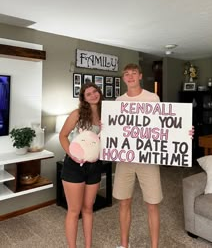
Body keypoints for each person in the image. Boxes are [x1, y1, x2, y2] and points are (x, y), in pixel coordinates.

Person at [113, 63, 163, 248]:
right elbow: (116, 129)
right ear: (124, 78)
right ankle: (124, 245)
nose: (130, 76)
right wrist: (107, 129)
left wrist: (183, 132)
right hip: (125, 159)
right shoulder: (119, 101)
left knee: (152, 203)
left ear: (140, 76)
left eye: (134, 73)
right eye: (127, 74)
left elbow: (163, 126)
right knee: (124, 202)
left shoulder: (153, 98)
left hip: (147, 159)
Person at [59, 82, 103, 248]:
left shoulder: (108, 115)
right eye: (88, 93)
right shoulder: (77, 114)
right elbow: (63, 136)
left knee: (88, 209)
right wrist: (73, 155)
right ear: (84, 98)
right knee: (74, 210)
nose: (93, 95)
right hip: (73, 166)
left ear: (99, 92)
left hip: (94, 166)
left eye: (95, 91)